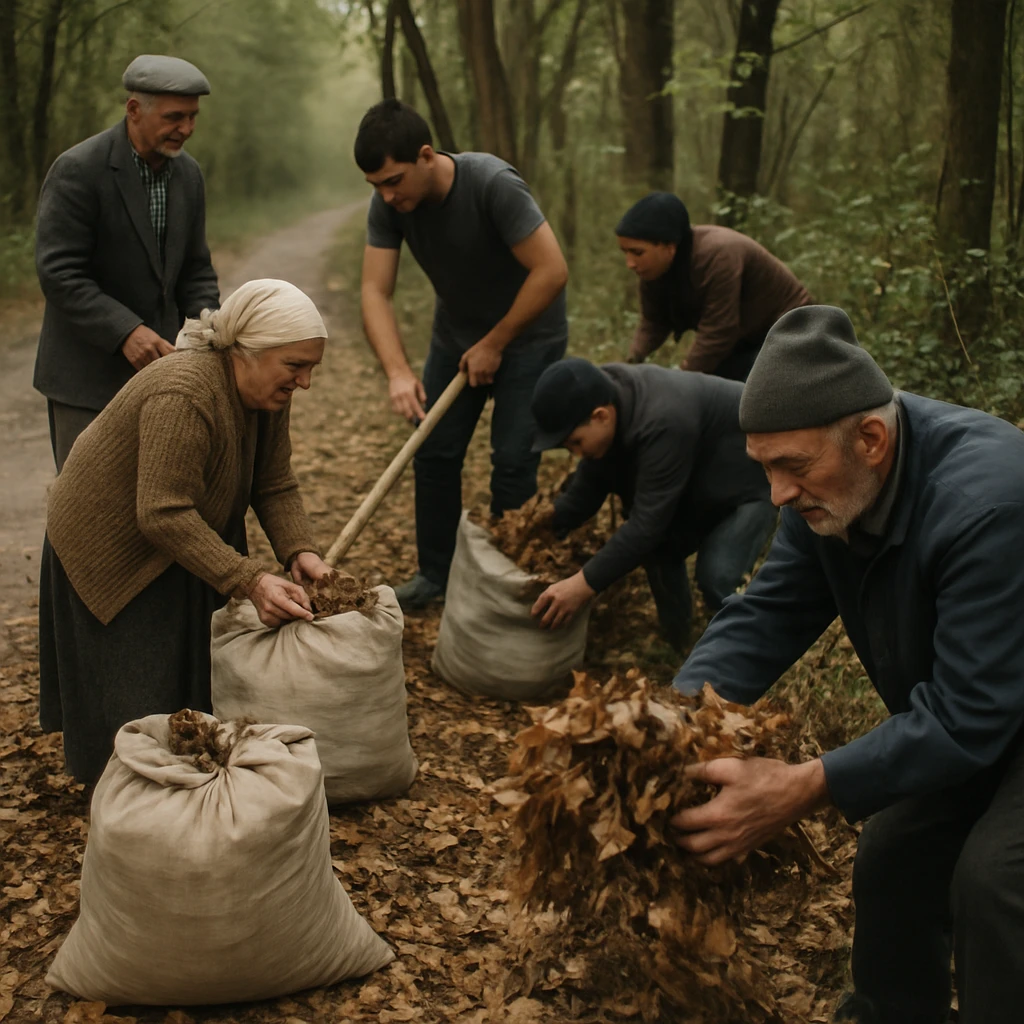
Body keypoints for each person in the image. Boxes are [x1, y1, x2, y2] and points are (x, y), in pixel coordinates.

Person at [671, 305, 1024, 1024]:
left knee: (996, 882)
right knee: (892, 852)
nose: (775, 493)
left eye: (790, 467)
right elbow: (770, 611)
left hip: (990, 706)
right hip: (974, 706)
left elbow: (967, 716)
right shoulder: (833, 486)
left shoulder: (989, 504)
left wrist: (802, 784)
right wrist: (671, 714)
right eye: (763, 467)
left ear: (870, 438)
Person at [39, 279, 332, 786]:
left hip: (182, 530)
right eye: (295, 366)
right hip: (112, 544)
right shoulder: (185, 391)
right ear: (248, 351)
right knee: (135, 703)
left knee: (191, 687)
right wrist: (250, 578)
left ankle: (182, 788)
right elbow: (161, 514)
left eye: (310, 368)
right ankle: (121, 800)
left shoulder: (266, 394)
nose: (304, 383)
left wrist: (299, 549)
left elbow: (274, 480)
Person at [354, 99, 569, 610]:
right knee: (433, 451)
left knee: (514, 461)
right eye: (376, 186)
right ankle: (438, 574)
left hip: (529, 336)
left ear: (426, 156)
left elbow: (552, 271)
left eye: (394, 181)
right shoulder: (388, 204)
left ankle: (506, 580)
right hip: (456, 336)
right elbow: (373, 291)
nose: (387, 195)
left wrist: (496, 343)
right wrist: (398, 372)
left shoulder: (493, 185)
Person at [34, 54, 220, 470]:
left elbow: (196, 268)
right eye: (175, 117)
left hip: (163, 380)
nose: (186, 129)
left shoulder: (188, 176)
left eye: (192, 117)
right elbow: (59, 273)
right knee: (83, 517)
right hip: (85, 383)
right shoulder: (78, 170)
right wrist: (126, 332)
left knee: (153, 509)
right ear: (134, 110)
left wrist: (208, 324)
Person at [528, 357, 776, 651]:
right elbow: (591, 484)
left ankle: (750, 652)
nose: (576, 454)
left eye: (576, 443)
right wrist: (544, 524)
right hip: (696, 478)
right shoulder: (608, 396)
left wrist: (583, 584)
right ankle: (679, 647)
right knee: (659, 551)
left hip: (751, 484)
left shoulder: (662, 419)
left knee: (717, 577)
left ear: (601, 416)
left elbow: (646, 525)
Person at [617, 192, 811, 381]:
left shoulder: (719, 253)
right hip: (743, 341)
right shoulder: (654, 269)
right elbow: (653, 322)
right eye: (625, 252)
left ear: (669, 247)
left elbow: (719, 330)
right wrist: (629, 365)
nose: (630, 263)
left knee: (745, 400)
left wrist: (683, 380)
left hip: (793, 330)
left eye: (637, 252)